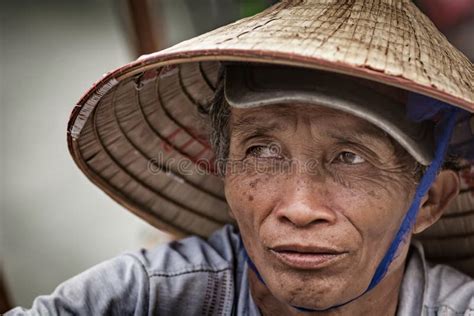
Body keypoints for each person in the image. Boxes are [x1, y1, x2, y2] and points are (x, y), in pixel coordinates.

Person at [7, 0, 474, 315]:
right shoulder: (154, 294)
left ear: (429, 199)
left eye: (350, 157)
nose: (298, 208)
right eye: (263, 151)